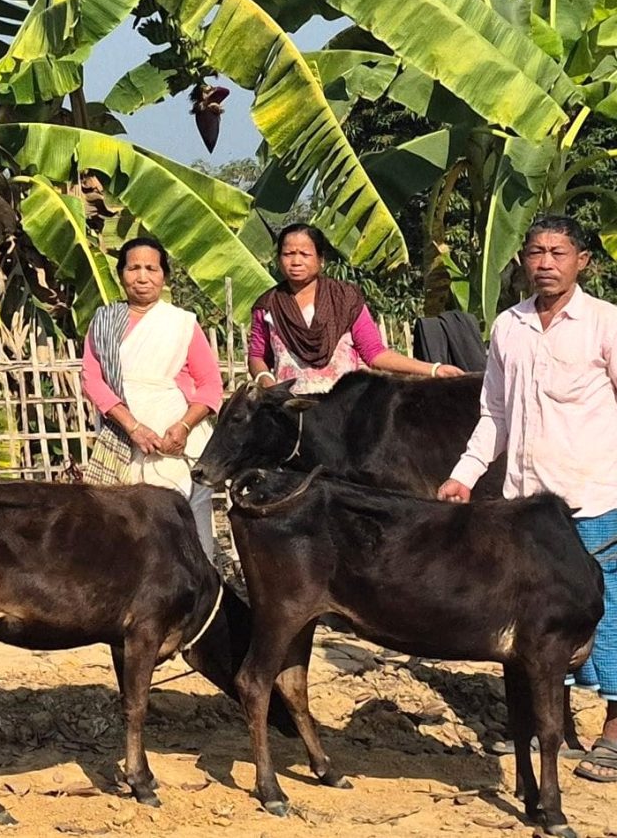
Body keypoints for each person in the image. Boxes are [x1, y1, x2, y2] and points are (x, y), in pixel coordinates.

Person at [439, 214, 617, 781]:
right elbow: (494, 413)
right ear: (522, 259)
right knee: (532, 618)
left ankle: (614, 733)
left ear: (581, 261)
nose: (546, 263)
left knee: (607, 616)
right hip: (523, 506)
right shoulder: (508, 327)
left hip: (595, 497)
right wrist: (464, 474)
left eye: (558, 253)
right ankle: (552, 728)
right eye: (537, 252)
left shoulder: (605, 324)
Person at [79, 237, 225, 558]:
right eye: (133, 268)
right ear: (121, 274)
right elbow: (92, 379)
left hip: (176, 442)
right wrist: (132, 427)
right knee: (129, 523)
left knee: (185, 521)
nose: (142, 277)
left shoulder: (182, 323)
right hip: (121, 438)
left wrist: (183, 428)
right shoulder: (103, 322)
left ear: (164, 276)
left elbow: (211, 385)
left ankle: (201, 595)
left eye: (151, 268)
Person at [251, 223, 457, 392]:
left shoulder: (345, 299)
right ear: (279, 260)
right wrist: (265, 380)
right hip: (291, 410)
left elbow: (374, 353)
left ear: (321, 260)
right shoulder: (268, 305)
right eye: (288, 254)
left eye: (305, 254)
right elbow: (257, 355)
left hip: (345, 411)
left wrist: (434, 370)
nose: (296, 261)